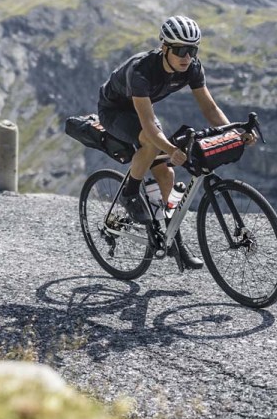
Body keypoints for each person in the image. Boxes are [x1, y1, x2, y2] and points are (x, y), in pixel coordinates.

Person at [97, 15, 256, 269]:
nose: (187, 57)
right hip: (115, 111)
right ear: (164, 48)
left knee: (168, 177)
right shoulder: (141, 71)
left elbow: (210, 107)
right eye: (180, 50)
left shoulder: (192, 67)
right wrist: (171, 149)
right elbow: (148, 126)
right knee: (150, 144)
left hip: (143, 110)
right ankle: (129, 193)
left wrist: (233, 133)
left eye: (192, 50)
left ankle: (175, 244)